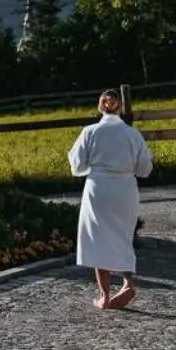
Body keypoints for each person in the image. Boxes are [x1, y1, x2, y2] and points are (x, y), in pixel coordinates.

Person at [69, 88, 154, 310]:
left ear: (101, 106)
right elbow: (145, 168)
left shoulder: (90, 132)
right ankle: (128, 282)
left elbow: (77, 165)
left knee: (98, 239)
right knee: (122, 236)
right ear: (119, 107)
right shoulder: (132, 134)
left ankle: (104, 295)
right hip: (125, 189)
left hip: (98, 188)